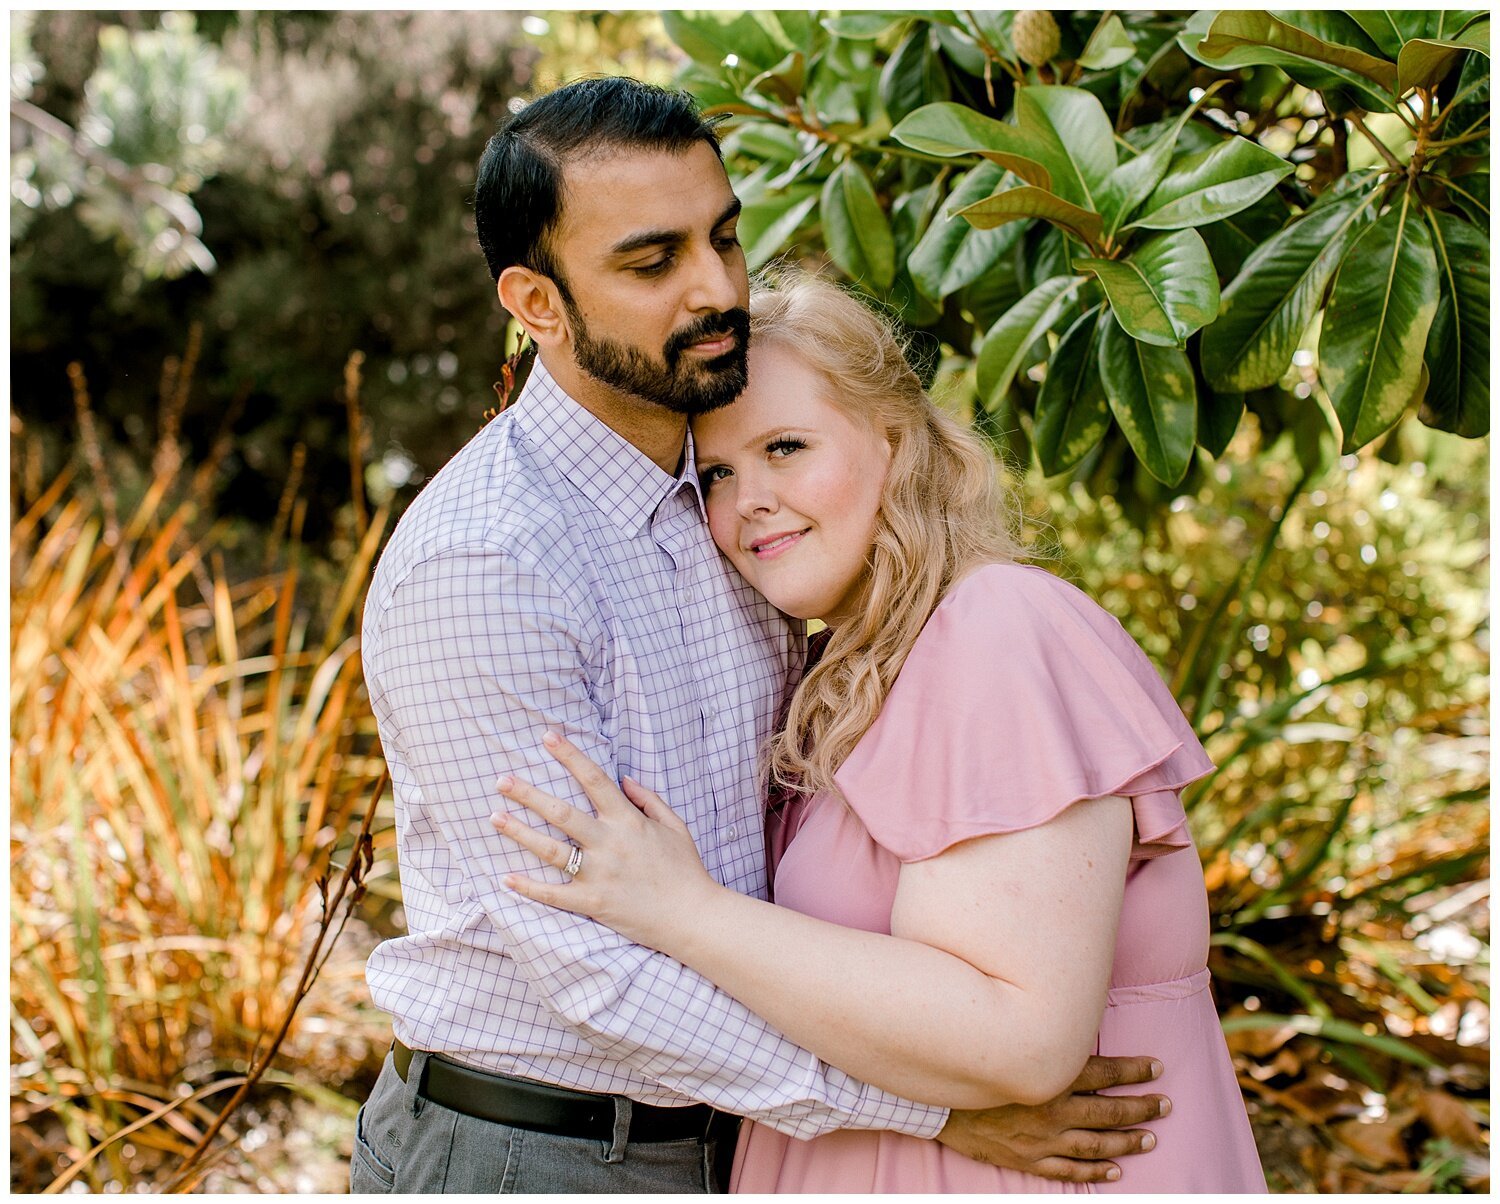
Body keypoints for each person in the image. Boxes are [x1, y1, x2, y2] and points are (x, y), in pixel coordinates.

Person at [353, 76, 1167, 1194]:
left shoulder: (730, 506)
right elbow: (594, 975)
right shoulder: (486, 564)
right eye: (652, 263)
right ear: (537, 303)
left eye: (723, 238)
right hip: (537, 1152)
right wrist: (929, 1110)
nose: (715, 289)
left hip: (744, 1137)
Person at [489, 270, 1268, 1192]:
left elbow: (1018, 1042)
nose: (750, 503)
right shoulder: (842, 674)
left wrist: (684, 909)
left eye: (787, 446)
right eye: (722, 474)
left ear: (895, 443)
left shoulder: (999, 629)